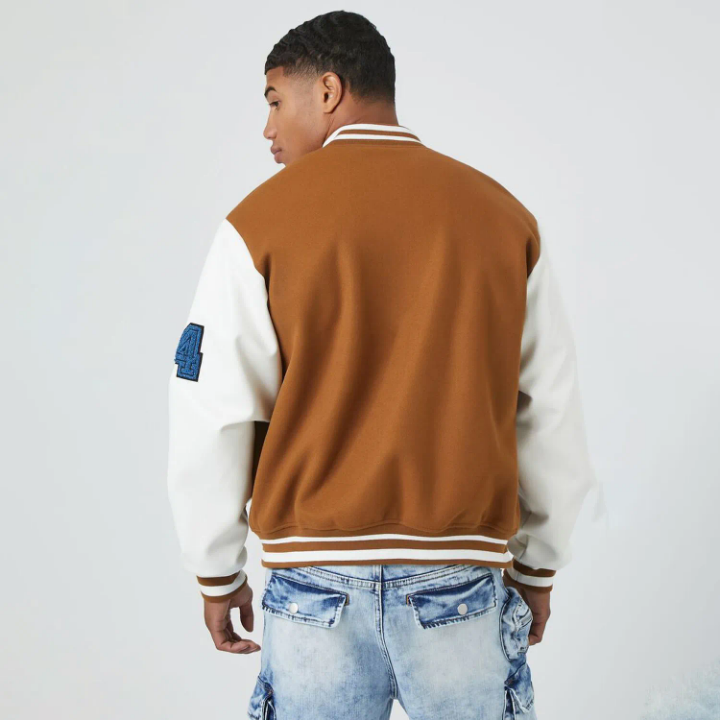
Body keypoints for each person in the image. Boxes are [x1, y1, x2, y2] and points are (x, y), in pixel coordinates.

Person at [167, 10, 605, 720]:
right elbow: (549, 406)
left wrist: (215, 571)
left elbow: (211, 410)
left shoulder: (256, 224)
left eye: (275, 101)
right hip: (460, 582)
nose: (267, 128)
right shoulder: (503, 218)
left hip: (314, 592)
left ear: (328, 90)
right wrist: (538, 564)